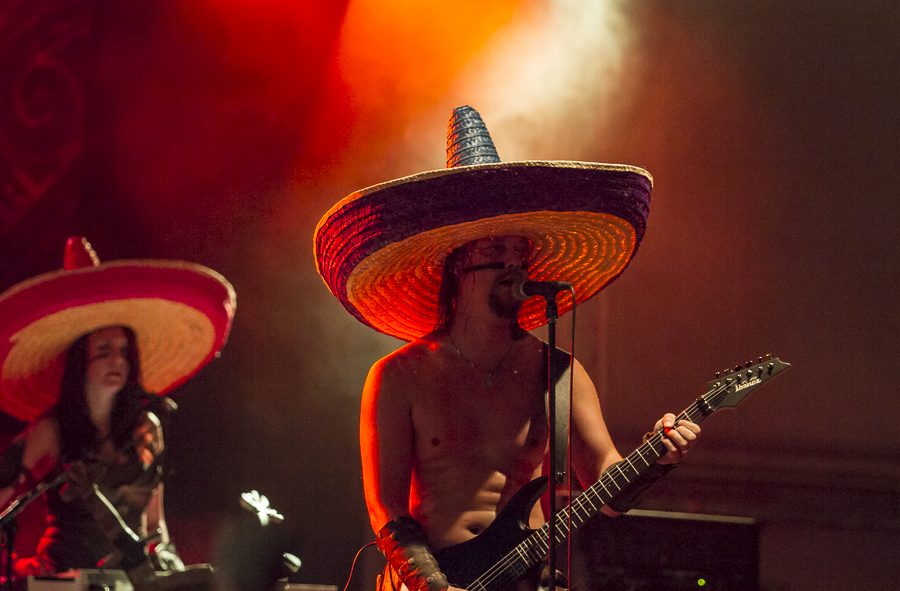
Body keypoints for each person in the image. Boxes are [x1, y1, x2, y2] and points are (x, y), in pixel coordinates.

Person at [314, 106, 700, 591]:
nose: (514, 266)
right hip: (431, 581)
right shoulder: (399, 375)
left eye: (521, 253)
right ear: (459, 264)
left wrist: (656, 459)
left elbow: (604, 483)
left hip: (523, 579)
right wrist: (433, 586)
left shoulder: (558, 371)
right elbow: (385, 508)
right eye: (496, 253)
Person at [0, 237, 235, 579]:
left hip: (133, 580)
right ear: (80, 359)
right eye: (105, 350)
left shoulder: (147, 426)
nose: (118, 360)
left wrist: (175, 574)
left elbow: (156, 524)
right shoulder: (51, 430)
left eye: (125, 351)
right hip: (67, 581)